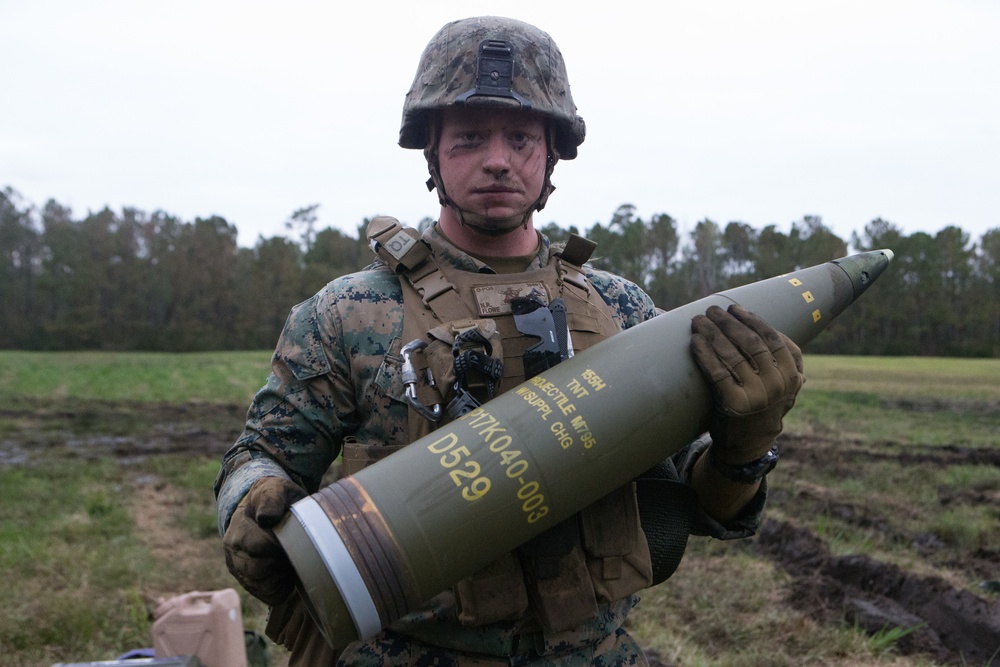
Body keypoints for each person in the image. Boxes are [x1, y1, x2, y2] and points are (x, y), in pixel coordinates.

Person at [214, 15, 804, 667]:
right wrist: (254, 499)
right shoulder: (352, 311)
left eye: (521, 136)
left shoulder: (621, 307)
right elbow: (264, 451)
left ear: (551, 153)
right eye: (469, 136)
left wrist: (744, 448)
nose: (497, 159)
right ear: (432, 151)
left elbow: (707, 503)